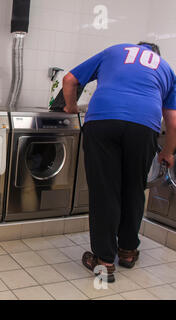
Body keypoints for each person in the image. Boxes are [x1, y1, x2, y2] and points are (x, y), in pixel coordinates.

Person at [62, 42, 176, 283]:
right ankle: (127, 251)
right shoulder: (165, 68)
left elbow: (70, 79)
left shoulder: (115, 51)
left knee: (105, 190)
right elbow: (173, 121)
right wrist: (168, 152)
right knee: (134, 189)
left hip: (103, 120)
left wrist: (71, 107)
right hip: (144, 127)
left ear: (136, 48)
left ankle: (103, 260)